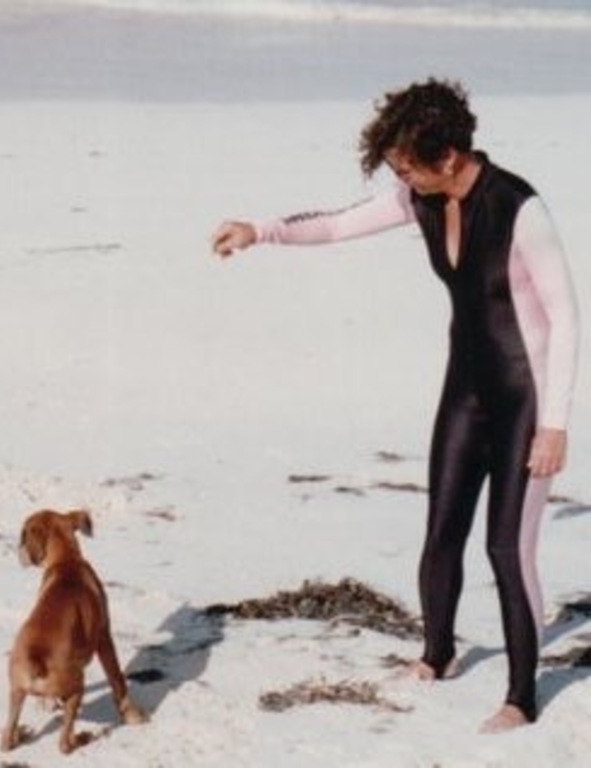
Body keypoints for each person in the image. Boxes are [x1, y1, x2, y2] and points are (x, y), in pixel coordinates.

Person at [211, 78, 579, 733]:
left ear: (448, 157)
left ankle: (521, 697)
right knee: (441, 531)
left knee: (506, 548)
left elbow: (566, 318)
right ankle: (436, 655)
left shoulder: (520, 208)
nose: (400, 180)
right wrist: (259, 231)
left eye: (407, 167)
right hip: (465, 387)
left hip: (525, 399)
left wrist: (554, 425)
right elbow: (336, 224)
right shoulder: (421, 198)